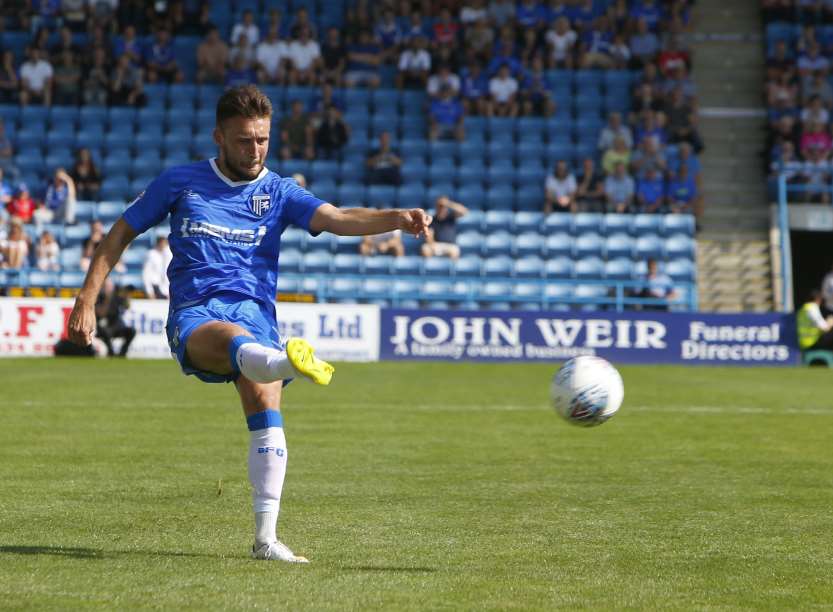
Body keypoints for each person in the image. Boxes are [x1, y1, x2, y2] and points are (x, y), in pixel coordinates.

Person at [66, 84, 431, 563]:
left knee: (265, 411)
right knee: (239, 344)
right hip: (197, 315)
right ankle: (285, 362)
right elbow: (120, 234)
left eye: (262, 139)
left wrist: (396, 218)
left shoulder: (278, 190)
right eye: (243, 140)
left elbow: (337, 217)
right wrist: (86, 298)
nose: (255, 149)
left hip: (257, 317)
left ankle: (266, 540)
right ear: (219, 136)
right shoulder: (181, 182)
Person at [95, 279, 137, 358]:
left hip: (116, 326)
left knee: (132, 331)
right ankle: (111, 354)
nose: (110, 289)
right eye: (107, 287)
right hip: (104, 328)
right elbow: (101, 313)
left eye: (111, 287)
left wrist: (127, 295)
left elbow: (127, 306)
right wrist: (107, 299)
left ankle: (122, 353)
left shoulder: (116, 296)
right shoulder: (99, 297)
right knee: (105, 331)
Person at [421, 195, 467, 260]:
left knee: (455, 251)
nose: (441, 208)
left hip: (449, 245)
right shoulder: (432, 219)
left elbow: (464, 211)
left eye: (443, 206)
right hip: (436, 244)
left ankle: (452, 269)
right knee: (425, 249)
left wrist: (448, 203)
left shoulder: (451, 217)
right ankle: (430, 269)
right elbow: (429, 235)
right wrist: (432, 245)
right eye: (439, 206)